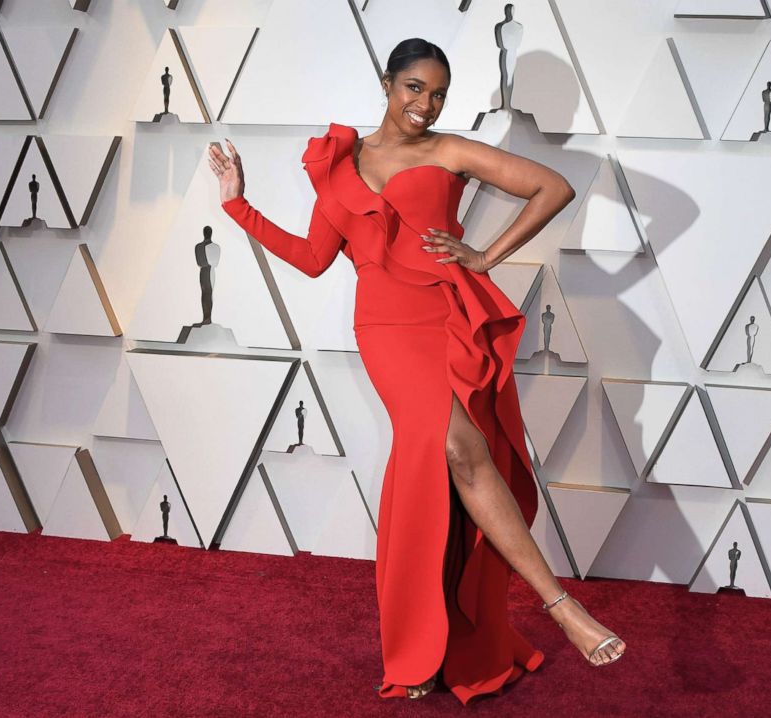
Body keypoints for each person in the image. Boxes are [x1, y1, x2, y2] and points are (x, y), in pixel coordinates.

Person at [208, 37, 626, 705]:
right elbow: (315, 258)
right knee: (461, 449)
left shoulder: (449, 152)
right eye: (414, 89)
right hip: (387, 330)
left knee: (446, 467)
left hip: (445, 316)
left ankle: (432, 648)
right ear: (386, 82)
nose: (425, 105)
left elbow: (554, 187)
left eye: (437, 94)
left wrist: (485, 256)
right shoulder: (340, 166)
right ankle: (561, 608)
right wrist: (238, 204)